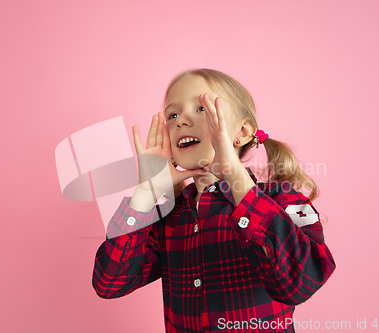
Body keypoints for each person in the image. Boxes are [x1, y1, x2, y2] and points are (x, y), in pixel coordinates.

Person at [92, 68, 336, 333]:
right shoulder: (168, 218)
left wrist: (236, 178)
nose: (181, 121)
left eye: (201, 108)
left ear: (241, 132)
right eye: (173, 115)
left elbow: (302, 282)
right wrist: (145, 194)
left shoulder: (284, 199)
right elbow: (109, 282)